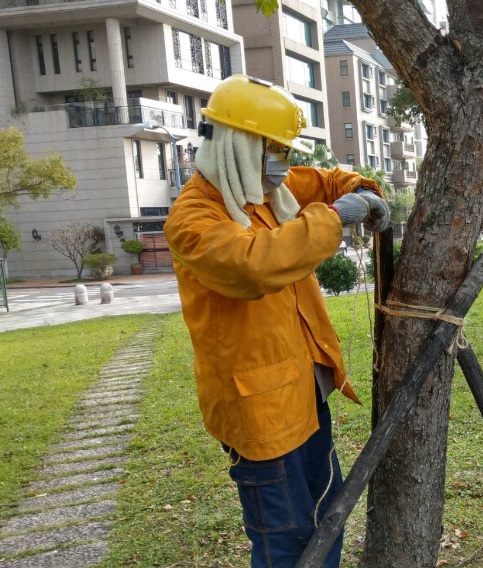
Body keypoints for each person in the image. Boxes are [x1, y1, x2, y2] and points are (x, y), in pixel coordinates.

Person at [164, 75, 390, 568]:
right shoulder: (193, 219)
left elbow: (326, 180)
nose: (283, 167)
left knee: (328, 516)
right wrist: (333, 218)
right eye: (275, 152)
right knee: (286, 540)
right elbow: (254, 264)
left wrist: (362, 191)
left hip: (305, 398)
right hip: (261, 416)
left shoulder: (264, 190)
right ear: (241, 146)